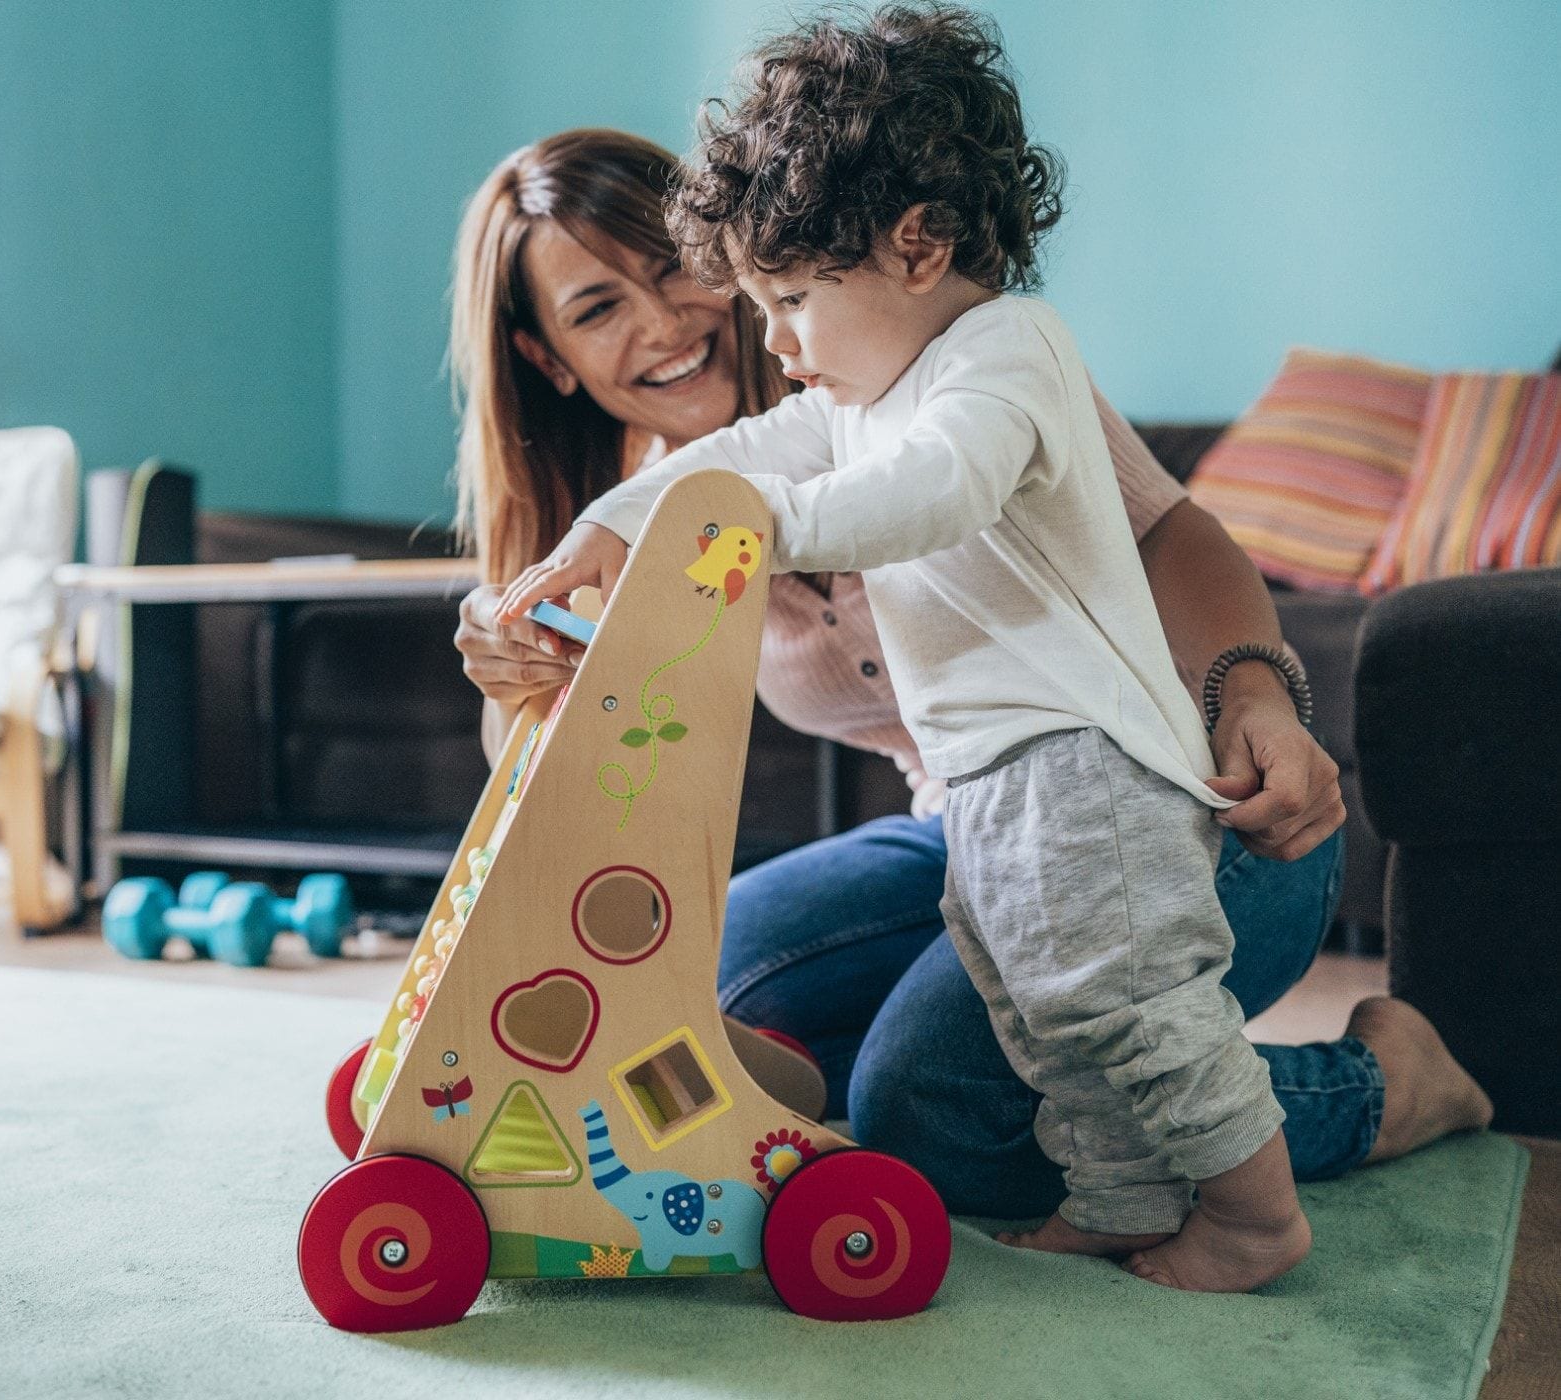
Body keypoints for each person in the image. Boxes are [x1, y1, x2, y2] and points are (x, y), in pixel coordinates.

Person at [447, 113, 1491, 1241]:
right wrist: (518, 667)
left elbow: (1172, 536)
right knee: (709, 993)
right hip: (969, 827)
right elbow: (562, 794)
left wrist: (1254, 694)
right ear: (549, 358)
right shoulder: (659, 498)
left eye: (677, 271)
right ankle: (986, 1085)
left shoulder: (964, 372)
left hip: (1174, 808)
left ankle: (1379, 1086)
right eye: (600, 308)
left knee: (926, 1111)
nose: (665, 324)